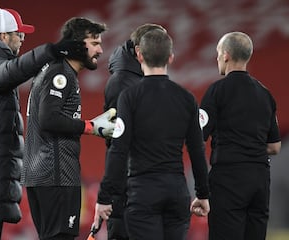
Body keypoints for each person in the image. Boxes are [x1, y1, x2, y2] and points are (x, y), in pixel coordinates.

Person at [0, 8, 87, 240]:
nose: (23, 38)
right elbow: (10, 72)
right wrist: (50, 51)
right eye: (19, 34)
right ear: (3, 36)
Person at [94, 29, 210, 240]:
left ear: (139, 56)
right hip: (177, 190)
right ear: (171, 57)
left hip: (143, 191)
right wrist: (203, 194)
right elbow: (197, 149)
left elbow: (118, 150)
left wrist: (105, 197)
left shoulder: (129, 97)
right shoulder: (187, 98)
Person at [21, 17, 115, 240]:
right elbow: (48, 119)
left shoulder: (52, 71)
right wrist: (90, 127)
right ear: (77, 44)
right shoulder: (60, 74)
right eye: (94, 43)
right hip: (55, 175)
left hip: (42, 173)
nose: (101, 50)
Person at [199, 31, 281, 240]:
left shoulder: (217, 91)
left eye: (217, 53)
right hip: (259, 179)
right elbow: (275, 147)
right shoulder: (265, 94)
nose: (216, 57)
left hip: (228, 178)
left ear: (226, 55)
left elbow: (198, 136)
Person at [102, 23, 168, 240]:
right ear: (140, 51)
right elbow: (116, 139)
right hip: (129, 184)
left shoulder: (142, 78)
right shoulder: (122, 82)